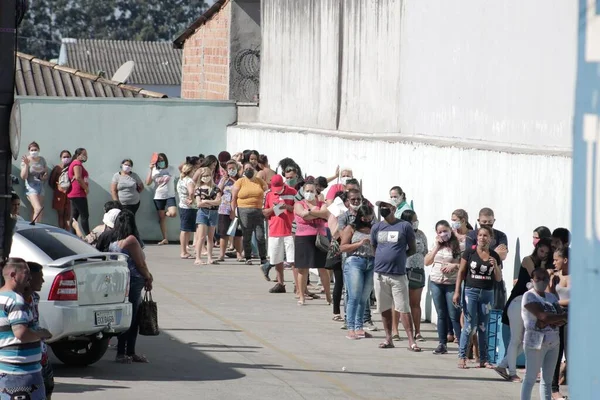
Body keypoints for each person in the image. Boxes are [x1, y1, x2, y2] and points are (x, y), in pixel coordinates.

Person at [495, 238, 552, 382]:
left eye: (546, 253)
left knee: (526, 340)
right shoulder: (528, 260)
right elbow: (537, 277)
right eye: (541, 251)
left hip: (531, 305)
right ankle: (512, 372)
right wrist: (546, 267)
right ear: (536, 248)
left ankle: (503, 365)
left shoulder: (545, 264)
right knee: (516, 339)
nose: (543, 254)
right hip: (518, 302)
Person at [0, 258, 52, 399]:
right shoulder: (16, 300)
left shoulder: (2, 297)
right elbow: (21, 333)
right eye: (25, 273)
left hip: (7, 369)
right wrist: (42, 334)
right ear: (13, 275)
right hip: (21, 372)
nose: (29, 277)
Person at [453, 225, 503, 369]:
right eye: (480, 235)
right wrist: (457, 292)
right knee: (469, 325)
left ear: (491, 239)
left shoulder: (494, 256)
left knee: (483, 327)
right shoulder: (469, 252)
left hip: (487, 293)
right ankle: (462, 356)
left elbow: (498, 279)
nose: (482, 238)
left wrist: (496, 267)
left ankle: (483, 359)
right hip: (471, 291)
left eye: (485, 235)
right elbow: (461, 272)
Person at [371, 200, 418, 350]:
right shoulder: (377, 227)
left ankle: (411, 340)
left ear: (393, 208)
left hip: (398, 274)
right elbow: (374, 247)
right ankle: (388, 338)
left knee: (403, 307)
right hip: (380, 274)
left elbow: (412, 248)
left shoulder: (404, 226)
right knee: (384, 308)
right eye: (381, 207)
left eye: (386, 207)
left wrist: (399, 257)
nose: (383, 209)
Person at [109, 210, 153, 364]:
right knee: (132, 318)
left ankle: (125, 352)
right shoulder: (131, 240)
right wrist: (148, 277)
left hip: (120, 281)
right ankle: (126, 352)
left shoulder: (113, 241)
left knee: (125, 316)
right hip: (134, 280)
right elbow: (140, 263)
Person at [520, 268, 567, 400]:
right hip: (535, 342)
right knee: (530, 378)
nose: (541, 281)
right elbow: (543, 316)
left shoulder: (551, 297)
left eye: (545, 278)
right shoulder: (529, 296)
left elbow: (562, 317)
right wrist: (551, 319)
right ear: (532, 280)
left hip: (553, 342)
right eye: (538, 279)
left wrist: (549, 320)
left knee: (547, 380)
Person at [424, 220, 462, 354]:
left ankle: (462, 345)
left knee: (454, 314)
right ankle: (442, 343)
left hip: (451, 284)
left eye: (445, 231)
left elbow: (463, 265)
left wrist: (454, 266)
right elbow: (427, 262)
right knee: (441, 314)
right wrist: (436, 247)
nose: (443, 234)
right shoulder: (436, 244)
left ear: (450, 230)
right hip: (436, 282)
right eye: (440, 232)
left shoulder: (458, 245)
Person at [340, 203, 375, 340]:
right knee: (354, 296)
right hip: (355, 261)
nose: (366, 221)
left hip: (371, 262)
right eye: (364, 218)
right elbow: (343, 247)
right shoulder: (352, 228)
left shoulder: (374, 229)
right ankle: (351, 327)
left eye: (369, 218)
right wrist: (359, 244)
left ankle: (359, 327)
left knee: (364, 297)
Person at [293, 178, 330, 305]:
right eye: (307, 191)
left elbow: (326, 213)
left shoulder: (321, 203)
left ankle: (328, 296)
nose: (309, 193)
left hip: (320, 238)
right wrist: (317, 213)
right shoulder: (298, 204)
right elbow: (303, 215)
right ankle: (302, 296)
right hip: (303, 238)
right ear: (303, 192)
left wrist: (312, 213)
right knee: (303, 269)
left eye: (311, 191)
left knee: (323, 268)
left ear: (316, 192)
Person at [24, 262, 54, 400]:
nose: (43, 280)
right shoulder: (16, 301)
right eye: (39, 276)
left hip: (41, 353)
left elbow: (35, 322)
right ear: (28, 278)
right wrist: (41, 334)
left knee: (48, 389)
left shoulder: (35, 297)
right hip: (27, 359)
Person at [262, 175, 297, 293]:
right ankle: (280, 283)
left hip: (290, 229)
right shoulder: (268, 194)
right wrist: (274, 209)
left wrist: (287, 206)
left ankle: (298, 285)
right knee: (277, 258)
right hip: (275, 229)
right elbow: (264, 212)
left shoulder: (293, 192)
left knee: (293, 259)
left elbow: (298, 208)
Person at [397, 209, 427, 342]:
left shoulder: (420, 234)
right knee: (399, 303)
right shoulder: (400, 233)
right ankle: (395, 331)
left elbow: (425, 251)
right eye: (413, 220)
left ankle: (417, 331)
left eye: (416, 220)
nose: (416, 222)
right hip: (402, 270)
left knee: (415, 303)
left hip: (417, 270)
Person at [232, 163, 268, 265]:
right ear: (243, 170)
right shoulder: (240, 181)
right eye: (246, 168)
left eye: (250, 168)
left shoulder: (260, 181)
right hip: (243, 211)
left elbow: (268, 193)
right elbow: (234, 198)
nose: (248, 170)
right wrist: (233, 211)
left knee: (260, 236)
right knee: (246, 235)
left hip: (258, 211)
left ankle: (263, 257)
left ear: (254, 169)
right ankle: (248, 257)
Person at [550, 246, 570, 400]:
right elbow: (549, 297)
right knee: (556, 354)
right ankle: (554, 390)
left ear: (565, 260)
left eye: (556, 259)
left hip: (572, 317)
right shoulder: (554, 276)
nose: (554, 262)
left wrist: (558, 302)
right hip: (557, 316)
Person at [146, 152, 177, 245]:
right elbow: (147, 183)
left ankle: (165, 214)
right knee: (162, 218)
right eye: (158, 161)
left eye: (162, 160)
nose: (160, 162)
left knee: (173, 213)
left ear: (165, 160)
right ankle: (165, 238)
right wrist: (150, 170)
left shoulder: (171, 169)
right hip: (158, 196)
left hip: (170, 195)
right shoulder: (155, 170)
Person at [193, 167, 222, 265]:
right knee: (201, 236)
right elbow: (198, 204)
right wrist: (211, 203)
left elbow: (218, 201)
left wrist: (206, 201)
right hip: (202, 213)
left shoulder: (216, 188)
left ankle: (210, 257)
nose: (206, 177)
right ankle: (198, 258)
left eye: (208, 175)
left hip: (213, 213)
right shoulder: (198, 189)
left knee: (211, 236)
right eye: (204, 176)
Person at [216, 160, 243, 262]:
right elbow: (218, 191)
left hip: (237, 209)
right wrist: (223, 181)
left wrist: (233, 179)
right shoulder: (224, 180)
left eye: (233, 168)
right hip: (224, 208)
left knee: (238, 234)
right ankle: (221, 255)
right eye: (229, 169)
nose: (231, 170)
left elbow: (241, 188)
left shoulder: (240, 180)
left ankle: (239, 254)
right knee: (224, 233)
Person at [20, 141, 48, 223]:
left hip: (40, 185)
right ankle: (35, 229)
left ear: (38, 150)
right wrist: (26, 165)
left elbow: (45, 172)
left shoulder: (42, 160)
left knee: (37, 210)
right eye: (32, 150)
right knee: (38, 208)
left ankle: (34, 228)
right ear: (29, 151)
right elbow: (23, 177)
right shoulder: (26, 160)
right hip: (31, 186)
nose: (33, 152)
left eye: (35, 150)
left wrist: (44, 176)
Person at [68, 147, 90, 236]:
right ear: (78, 155)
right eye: (84, 154)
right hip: (78, 193)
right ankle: (88, 235)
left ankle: (72, 235)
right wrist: (86, 188)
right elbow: (78, 177)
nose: (86, 156)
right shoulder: (77, 164)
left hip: (75, 194)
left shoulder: (76, 163)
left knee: (74, 216)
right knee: (85, 215)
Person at [177, 163, 198, 259]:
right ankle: (183, 251)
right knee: (185, 229)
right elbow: (191, 192)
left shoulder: (180, 180)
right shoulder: (189, 181)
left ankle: (184, 249)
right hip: (189, 208)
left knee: (186, 229)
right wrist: (191, 198)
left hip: (182, 206)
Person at [49, 149, 72, 230]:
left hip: (69, 194)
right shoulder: (57, 168)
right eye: (64, 157)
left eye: (68, 157)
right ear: (61, 158)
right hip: (59, 195)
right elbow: (51, 182)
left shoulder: (72, 168)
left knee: (68, 215)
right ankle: (62, 231)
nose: (66, 158)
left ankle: (68, 232)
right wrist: (58, 188)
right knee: (61, 215)